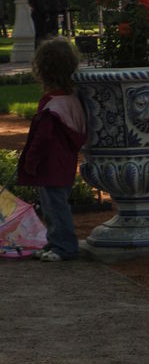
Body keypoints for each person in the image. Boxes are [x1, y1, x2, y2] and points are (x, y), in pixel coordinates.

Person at [16, 38, 87, 262]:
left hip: (50, 165)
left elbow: (42, 138)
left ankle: (64, 246)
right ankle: (55, 242)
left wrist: (30, 161)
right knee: (55, 206)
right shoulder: (71, 100)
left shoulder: (51, 105)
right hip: (63, 163)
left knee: (55, 208)